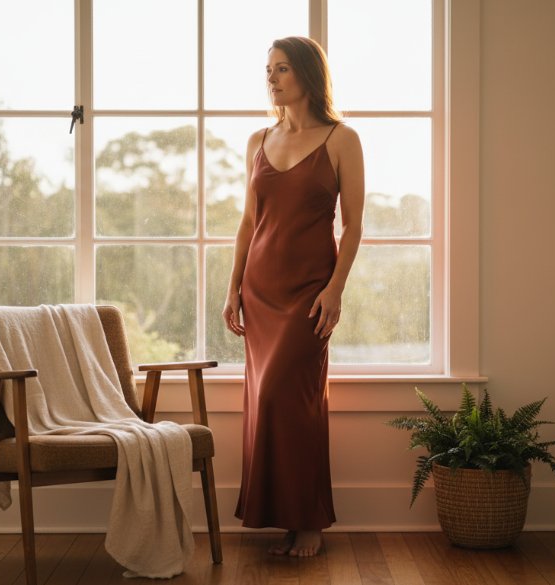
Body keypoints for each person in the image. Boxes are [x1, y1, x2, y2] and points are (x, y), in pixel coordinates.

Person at [222, 36, 365, 558]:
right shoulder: (258, 139)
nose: (272, 78)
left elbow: (352, 227)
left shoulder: (341, 139)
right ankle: (281, 516)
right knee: (266, 402)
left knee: (295, 400)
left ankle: (308, 522)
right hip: (260, 291)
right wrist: (233, 286)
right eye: (268, 70)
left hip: (310, 293)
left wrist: (335, 290)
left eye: (282, 69)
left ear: (308, 75)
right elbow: (247, 221)